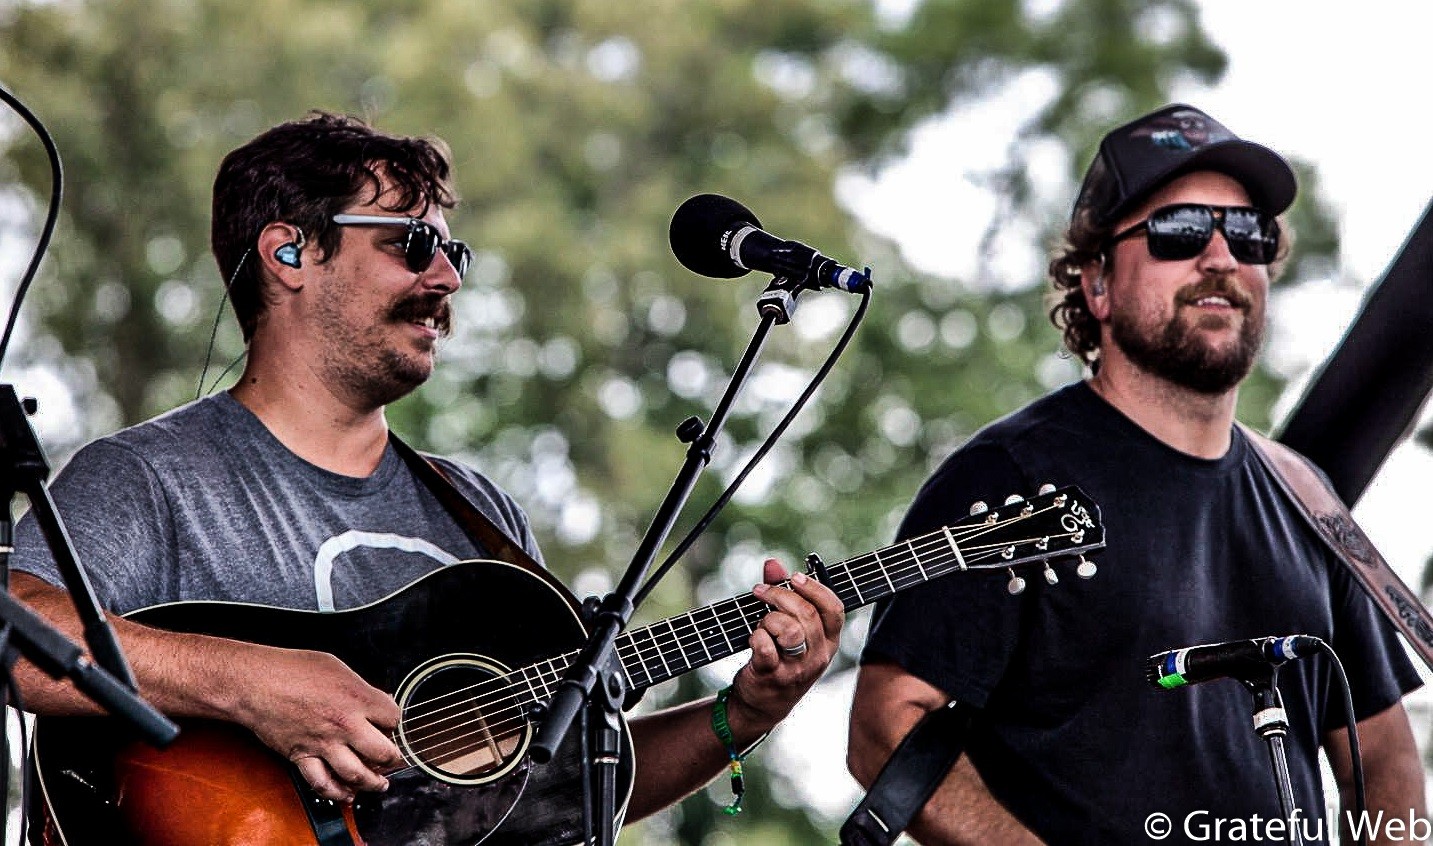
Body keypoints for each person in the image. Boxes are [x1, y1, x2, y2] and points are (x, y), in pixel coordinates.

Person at [9, 112, 843, 843]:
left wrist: (746, 714)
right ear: (289, 251)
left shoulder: (481, 514)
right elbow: (18, 635)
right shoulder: (147, 476)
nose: (445, 279)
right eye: (411, 243)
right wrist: (252, 682)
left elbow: (564, 789)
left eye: (453, 251)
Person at [847, 104, 1426, 845]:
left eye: (1247, 234)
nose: (1220, 257)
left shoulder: (1304, 497)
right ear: (1095, 286)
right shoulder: (1009, 477)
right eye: (1180, 231)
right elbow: (884, 723)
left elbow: (1381, 755)